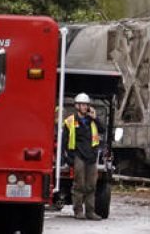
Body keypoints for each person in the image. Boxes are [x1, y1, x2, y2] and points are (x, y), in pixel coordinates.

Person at [62, 92, 102, 221]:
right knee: (79, 185)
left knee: (91, 186)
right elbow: (64, 141)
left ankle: (90, 212)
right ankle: (78, 211)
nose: (85, 107)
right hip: (78, 156)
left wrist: (95, 117)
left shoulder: (92, 121)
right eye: (83, 105)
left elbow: (103, 130)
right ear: (77, 106)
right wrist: (67, 158)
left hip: (91, 157)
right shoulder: (70, 121)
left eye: (87, 105)